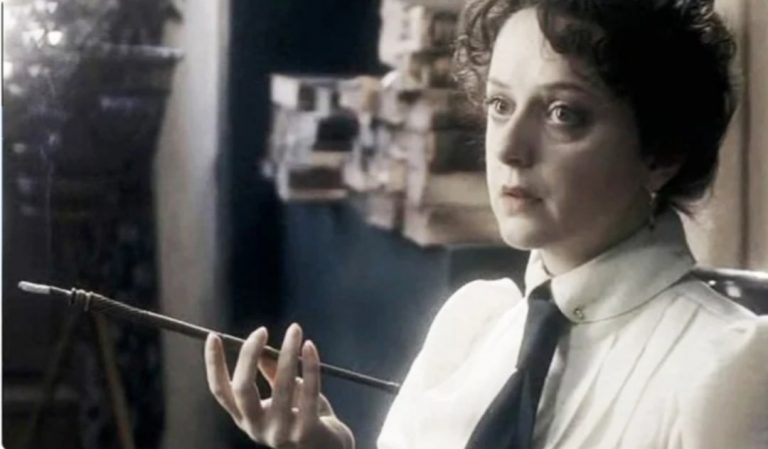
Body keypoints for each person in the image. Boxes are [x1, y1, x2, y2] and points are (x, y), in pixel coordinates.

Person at [204, 0, 768, 448]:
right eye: (500, 105)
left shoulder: (726, 367)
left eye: (563, 114)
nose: (510, 149)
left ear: (662, 151)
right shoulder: (472, 326)